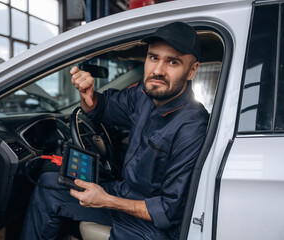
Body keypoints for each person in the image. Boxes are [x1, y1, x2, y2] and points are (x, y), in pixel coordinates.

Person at [20, 21, 209, 240]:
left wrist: (106, 200)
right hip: (123, 193)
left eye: (173, 62)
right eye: (153, 57)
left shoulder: (192, 127)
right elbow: (103, 106)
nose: (157, 70)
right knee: (50, 186)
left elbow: (169, 210)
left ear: (191, 71)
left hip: (153, 225)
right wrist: (88, 94)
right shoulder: (144, 95)